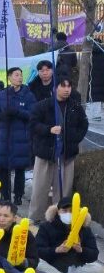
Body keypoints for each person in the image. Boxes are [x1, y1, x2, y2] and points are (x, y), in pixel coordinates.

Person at [29, 77, 89, 223]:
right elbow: (33, 125)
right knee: (40, 188)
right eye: (63, 86)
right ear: (55, 88)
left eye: (69, 86)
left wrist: (74, 138)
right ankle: (35, 217)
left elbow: (84, 124)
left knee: (63, 190)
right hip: (45, 153)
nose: (67, 89)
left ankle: (61, 218)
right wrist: (48, 129)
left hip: (66, 155)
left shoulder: (75, 106)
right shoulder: (42, 106)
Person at [35, 195, 104, 273]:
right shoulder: (47, 226)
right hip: (54, 266)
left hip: (76, 267)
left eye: (72, 211)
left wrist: (81, 250)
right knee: (37, 263)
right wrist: (56, 250)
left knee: (98, 269)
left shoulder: (85, 229)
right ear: (58, 211)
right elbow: (37, 250)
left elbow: (94, 254)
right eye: (64, 211)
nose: (68, 214)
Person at [0, 66, 35, 205]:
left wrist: (18, 112)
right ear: (9, 77)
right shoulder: (2, 95)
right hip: (4, 137)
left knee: (20, 168)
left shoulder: (28, 95)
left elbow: (33, 114)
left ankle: (18, 196)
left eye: (21, 75)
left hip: (21, 138)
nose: (19, 78)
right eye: (16, 75)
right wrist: (0, 115)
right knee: (3, 168)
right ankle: (4, 194)